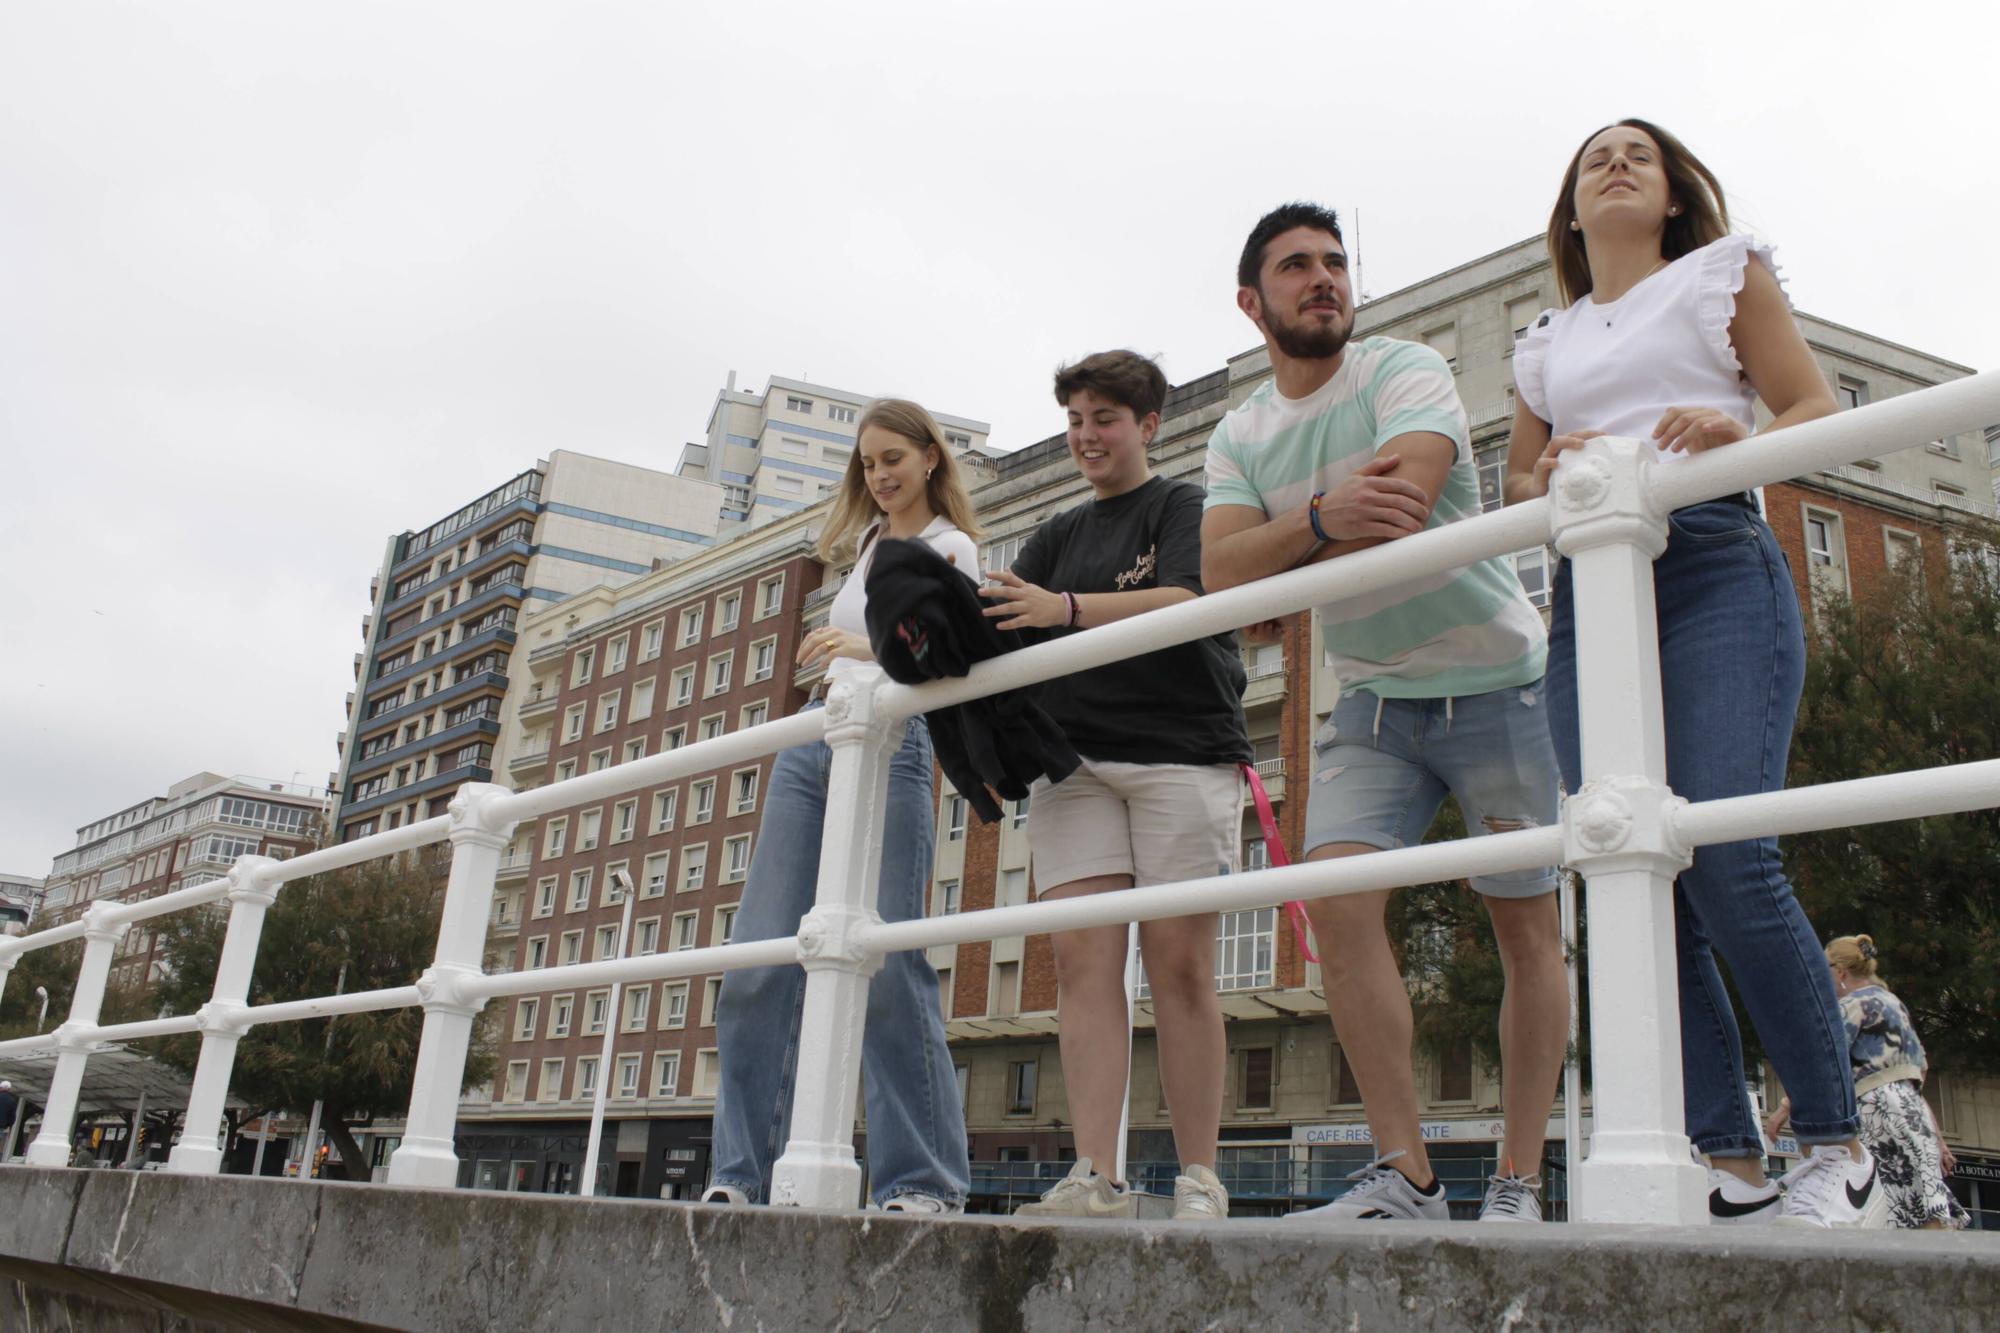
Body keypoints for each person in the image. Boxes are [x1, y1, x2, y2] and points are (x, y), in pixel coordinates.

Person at [1504, 119, 1882, 1229]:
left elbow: (1810, 409)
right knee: (1631, 872)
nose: (1614, 164)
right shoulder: (1544, 340)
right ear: (1570, 212)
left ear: (1673, 194)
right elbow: (1523, 475)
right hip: (1587, 594)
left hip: (1713, 558)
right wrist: (1549, 467)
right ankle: (1731, 1160)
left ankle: (1833, 1140)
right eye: (1591, 160)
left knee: (1722, 849)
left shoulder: (1721, 274)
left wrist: (1732, 432)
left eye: (1638, 153)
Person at [1202, 203, 1570, 1224]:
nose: (1321, 278)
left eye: (1333, 263)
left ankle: (1516, 1181)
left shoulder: (1402, 369)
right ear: (1251, 301)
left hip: (1499, 678)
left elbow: (1401, 503)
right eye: (1293, 267)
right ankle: (1404, 1174)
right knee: (1333, 896)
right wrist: (1319, 517)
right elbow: (1217, 576)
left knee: (1524, 932)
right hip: (1372, 699)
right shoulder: (1237, 433)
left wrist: (1278, 560)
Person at [980, 350, 1252, 1221]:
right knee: (1083, 962)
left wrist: (1063, 610)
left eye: (1104, 418)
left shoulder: (1184, 504)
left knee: (1179, 966)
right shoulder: (1058, 533)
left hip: (1181, 752)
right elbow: (994, 622)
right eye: (1074, 420)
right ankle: (1095, 1173)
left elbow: (1186, 595)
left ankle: (1200, 1174)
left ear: (1148, 425)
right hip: (1075, 765)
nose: (1086, 436)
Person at [706, 399, 978, 1213]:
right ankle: (739, 1174)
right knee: (755, 957)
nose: (880, 474)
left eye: (893, 456)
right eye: (867, 462)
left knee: (890, 961)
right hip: (812, 743)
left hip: (895, 742)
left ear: (931, 457)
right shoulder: (866, 544)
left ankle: (923, 1181)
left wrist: (860, 645)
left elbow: (951, 649)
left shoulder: (950, 546)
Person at [1766, 936, 1969, 1229]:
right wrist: (1939, 1139)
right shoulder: (1895, 1004)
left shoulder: (1852, 1005)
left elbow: (1827, 1063)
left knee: (1875, 1204)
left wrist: (1785, 1107)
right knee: (1923, 1205)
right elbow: (1919, 1073)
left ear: (1839, 972)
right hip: (1913, 1111)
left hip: (1875, 1108)